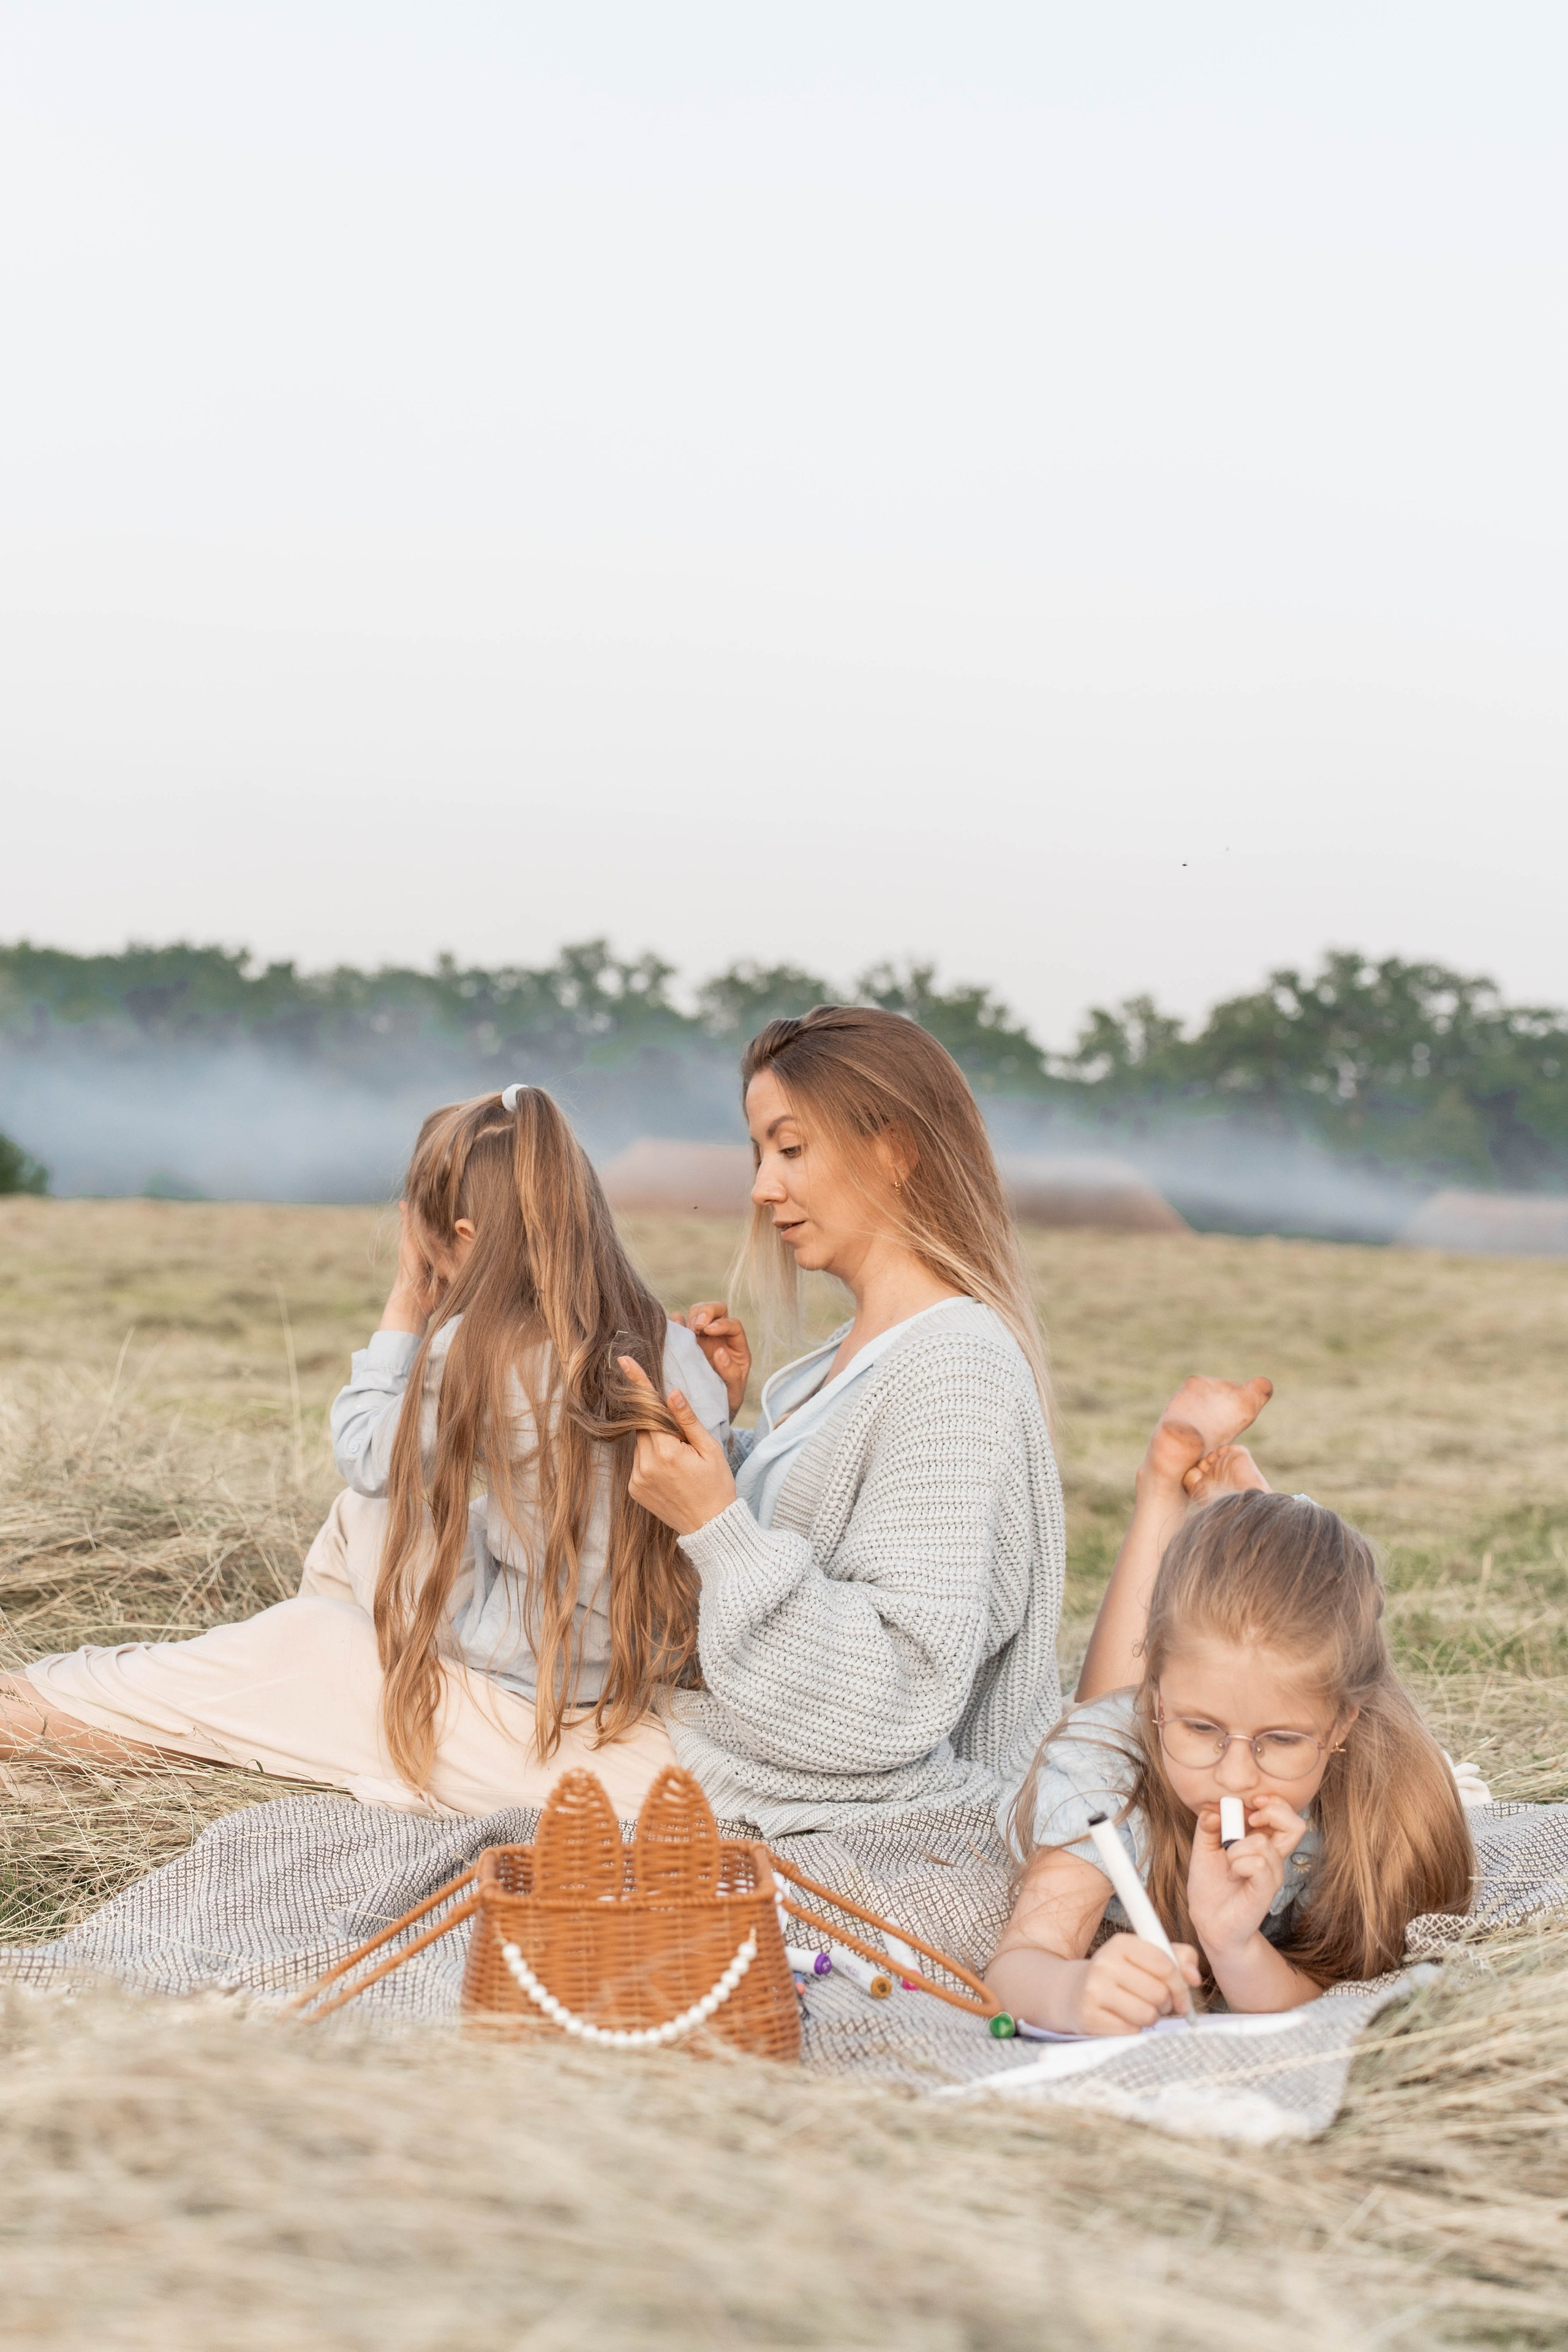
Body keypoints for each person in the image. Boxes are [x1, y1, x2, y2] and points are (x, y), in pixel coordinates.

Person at [0, 1087, 729, 1815]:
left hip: (526, 1677)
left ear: (469, 1238)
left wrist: (406, 1306)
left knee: (360, 1516)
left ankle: (288, 1710)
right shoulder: (674, 1343)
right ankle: (295, 1713)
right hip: (630, 1660)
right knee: (364, 1516)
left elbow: (367, 1452)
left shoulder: (478, 1348)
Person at [620, 1003, 1066, 1836]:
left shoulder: (954, 1365)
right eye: (760, 1154)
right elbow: (826, 1537)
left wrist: (715, 1523)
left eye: (790, 1149)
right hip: (751, 1757)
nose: (761, 1186)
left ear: (893, 1150)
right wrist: (717, 1437)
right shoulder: (852, 1354)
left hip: (818, 1799)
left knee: (338, 1674)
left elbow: (900, 1691)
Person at [986, 1381, 1474, 2034]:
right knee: (1104, 1712)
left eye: (1279, 1741)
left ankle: (1257, 1529)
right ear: (1161, 1698)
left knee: (1308, 1648)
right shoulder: (1103, 1777)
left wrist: (1233, 1944)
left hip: (1243, 1703)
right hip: (1134, 1728)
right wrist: (1073, 1992)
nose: (1236, 1778)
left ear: (1339, 1727)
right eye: (1201, 1728)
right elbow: (1022, 1963)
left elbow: (1317, 1996)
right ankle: (1178, 1495)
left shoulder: (1389, 1790)